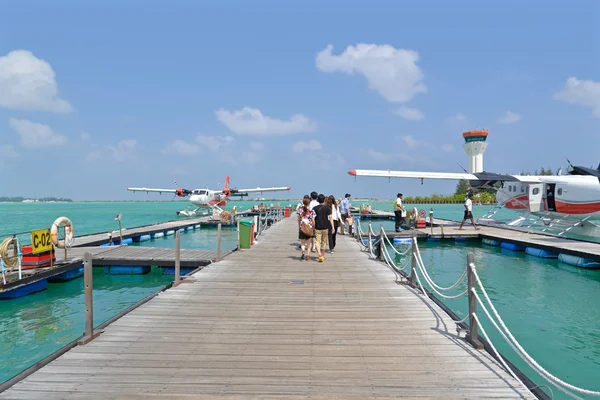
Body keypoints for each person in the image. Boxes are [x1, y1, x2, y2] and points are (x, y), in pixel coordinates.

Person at [312, 194, 334, 262]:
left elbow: (313, 219)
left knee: (317, 241)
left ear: (318, 200)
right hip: (325, 227)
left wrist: (313, 226)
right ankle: (322, 255)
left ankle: (319, 254)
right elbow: (330, 217)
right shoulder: (327, 208)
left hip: (317, 227)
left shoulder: (314, 208)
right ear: (324, 200)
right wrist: (333, 227)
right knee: (324, 241)